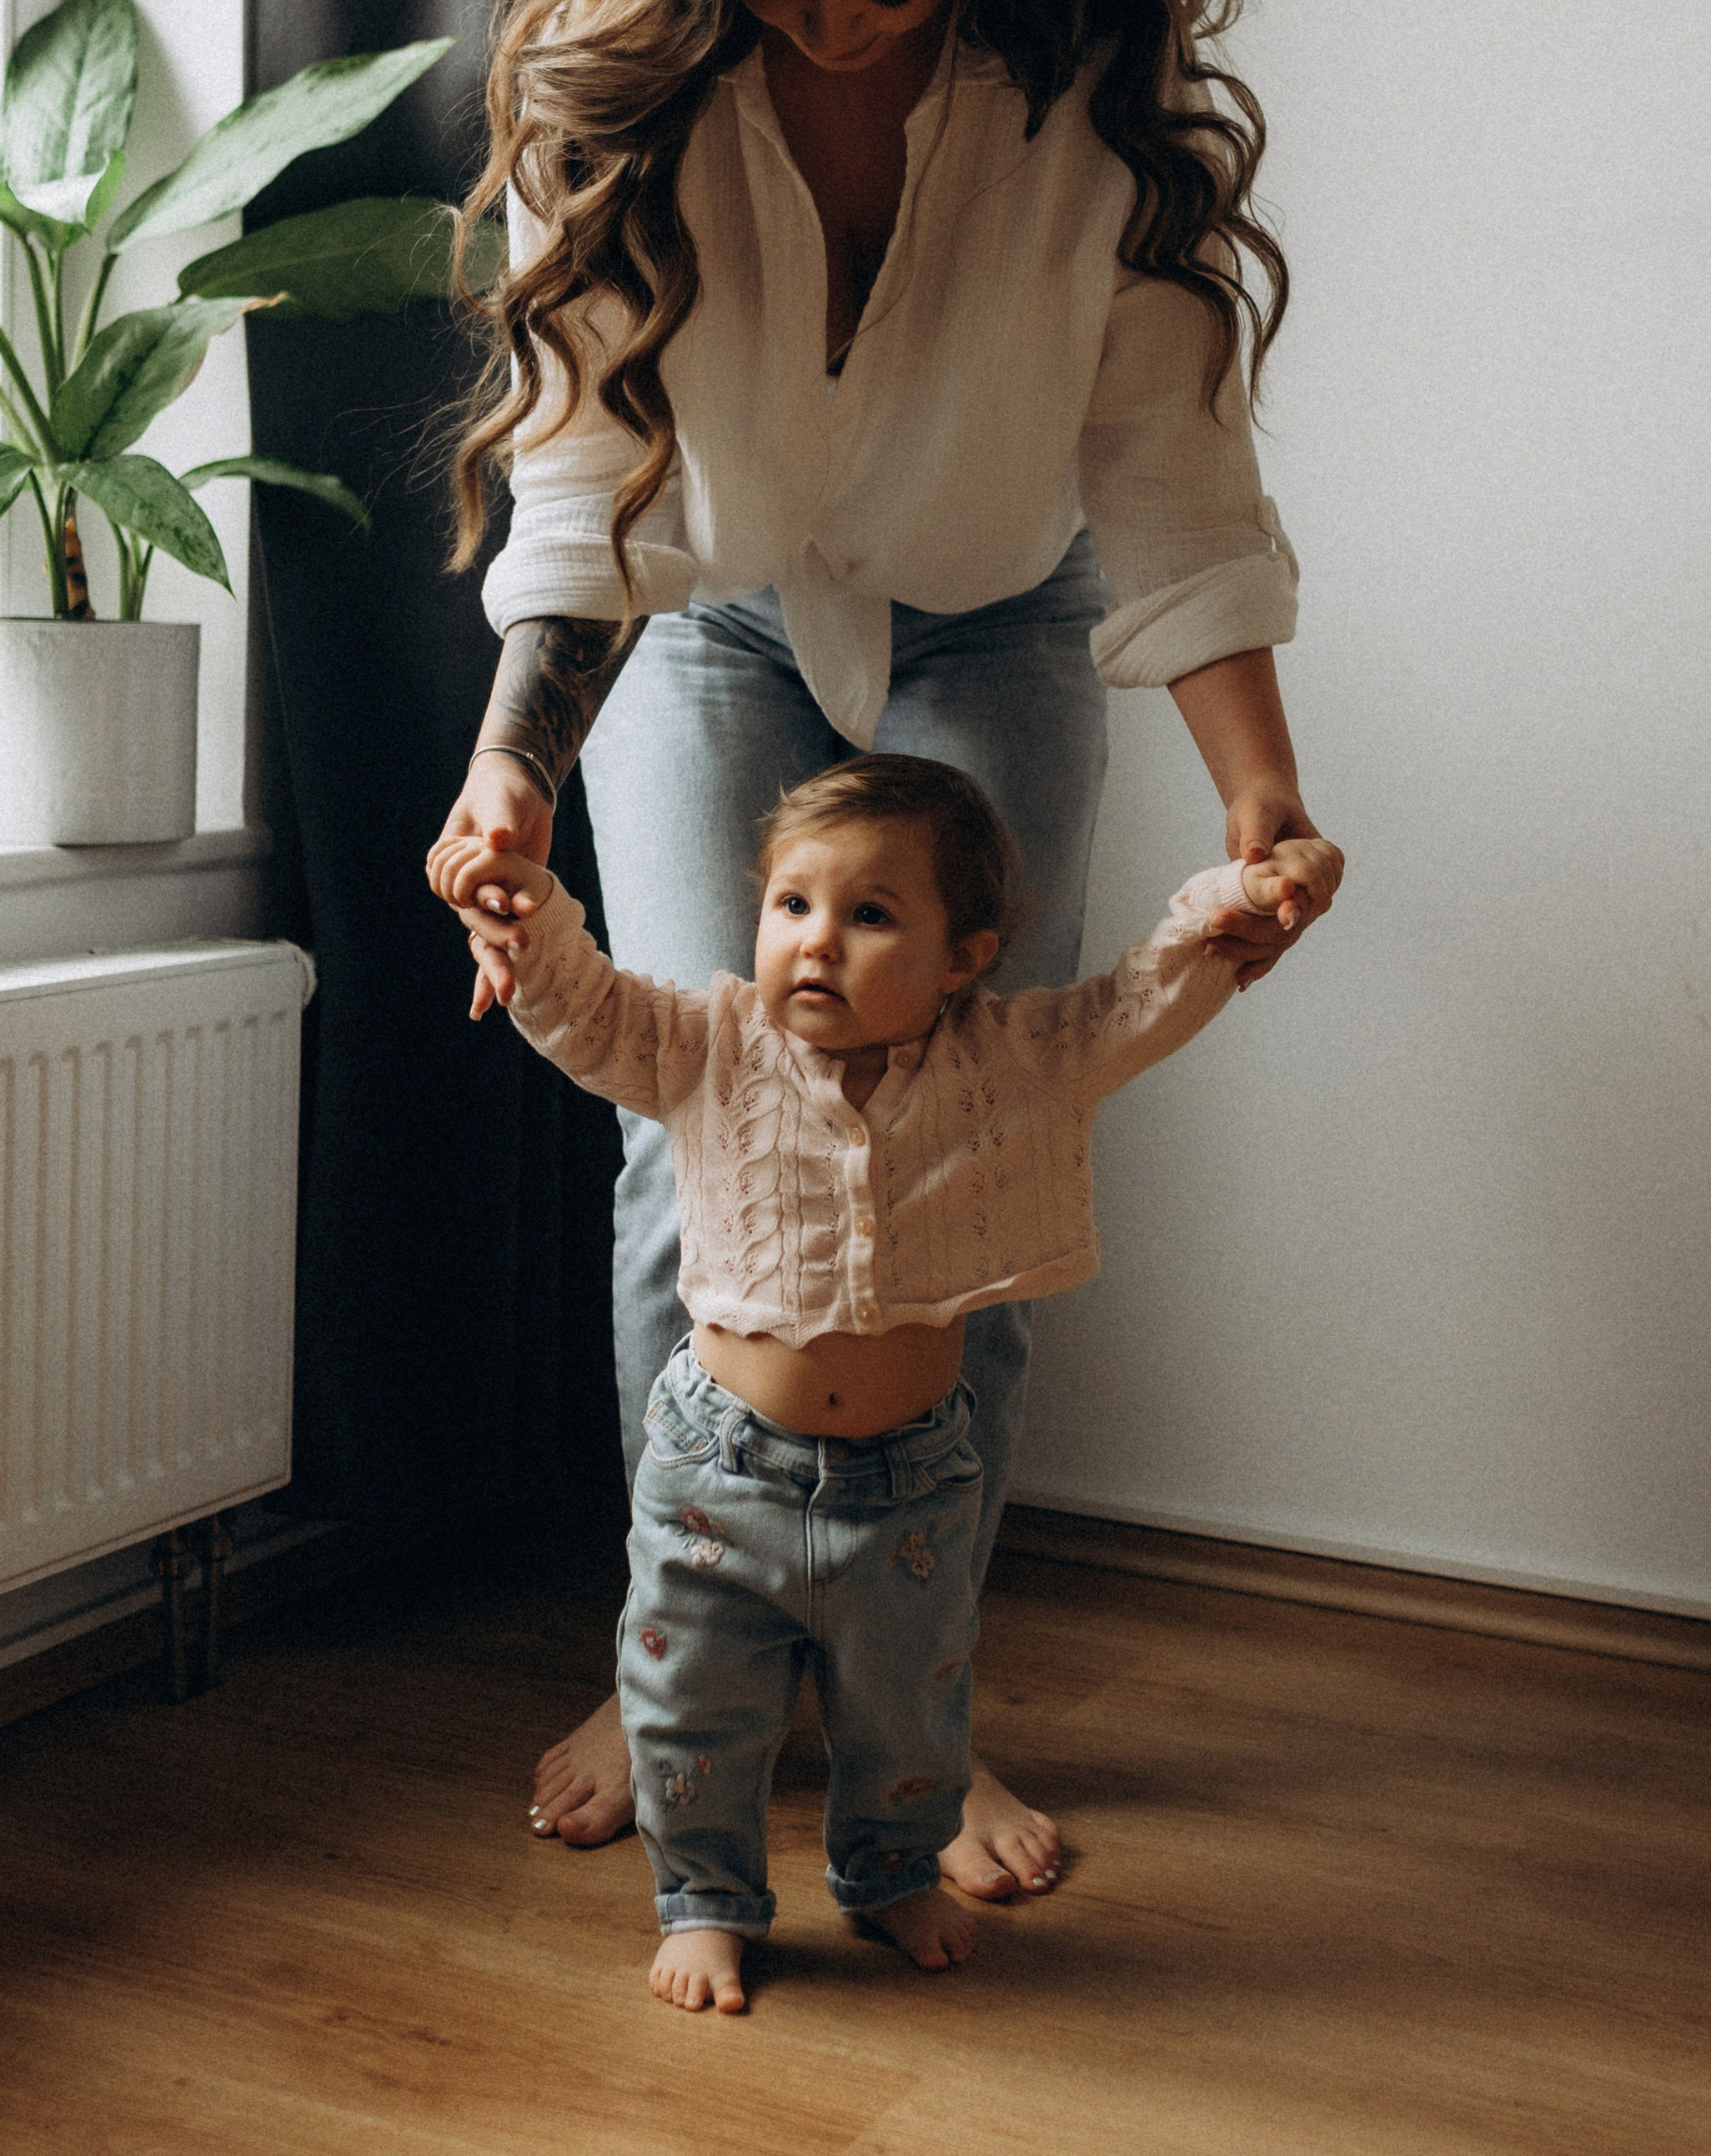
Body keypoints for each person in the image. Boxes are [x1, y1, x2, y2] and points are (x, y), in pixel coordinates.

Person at [428, 0, 1341, 1897]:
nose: (839, 34)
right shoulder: (610, 79)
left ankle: (914, 1703)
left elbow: (1162, 461)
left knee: (973, 1142)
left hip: (1006, 604)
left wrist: (1263, 796)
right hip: (711, 615)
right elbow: (582, 481)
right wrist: (510, 766)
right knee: (696, 1130)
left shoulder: (1083, 77)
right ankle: (688, 1662)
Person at [434, 755, 1342, 2012]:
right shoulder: (708, 1045)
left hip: (911, 1482)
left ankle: (884, 1871)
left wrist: (1239, 898)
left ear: (963, 954)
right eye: (792, 905)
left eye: (870, 915)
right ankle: (705, 1898)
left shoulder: (1011, 1061)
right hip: (719, 1472)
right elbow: (583, 1006)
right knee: (692, 1708)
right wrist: (521, 909)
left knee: (909, 1718)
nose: (817, 942)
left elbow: (1143, 997)